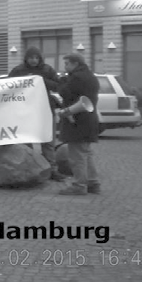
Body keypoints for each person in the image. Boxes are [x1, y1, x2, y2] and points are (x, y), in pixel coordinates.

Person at [8, 46, 65, 181]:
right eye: (31, 58)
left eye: (36, 58)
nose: (33, 61)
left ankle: (52, 170)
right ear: (26, 58)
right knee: (27, 141)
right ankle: (31, 168)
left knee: (48, 141)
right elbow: (8, 86)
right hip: (26, 109)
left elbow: (58, 86)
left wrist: (41, 80)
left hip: (44, 108)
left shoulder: (47, 70)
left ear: (40, 59)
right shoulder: (18, 71)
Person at [55, 53, 100, 196]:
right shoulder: (91, 76)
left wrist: (62, 81)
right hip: (89, 119)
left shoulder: (76, 77)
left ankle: (79, 185)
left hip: (78, 120)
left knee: (77, 156)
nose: (65, 67)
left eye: (67, 64)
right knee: (87, 153)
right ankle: (93, 183)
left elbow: (64, 93)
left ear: (75, 64)